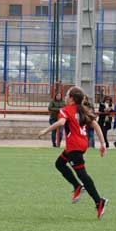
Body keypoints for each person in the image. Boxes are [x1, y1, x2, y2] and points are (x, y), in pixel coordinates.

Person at [38, 85, 108, 219]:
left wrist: (45, 131)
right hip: (79, 145)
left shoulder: (66, 110)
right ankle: (77, 186)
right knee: (59, 163)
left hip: (74, 147)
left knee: (83, 175)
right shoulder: (83, 110)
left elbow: (61, 122)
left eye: (67, 95)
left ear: (71, 99)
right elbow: (96, 125)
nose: (65, 97)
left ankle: (99, 201)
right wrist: (102, 144)